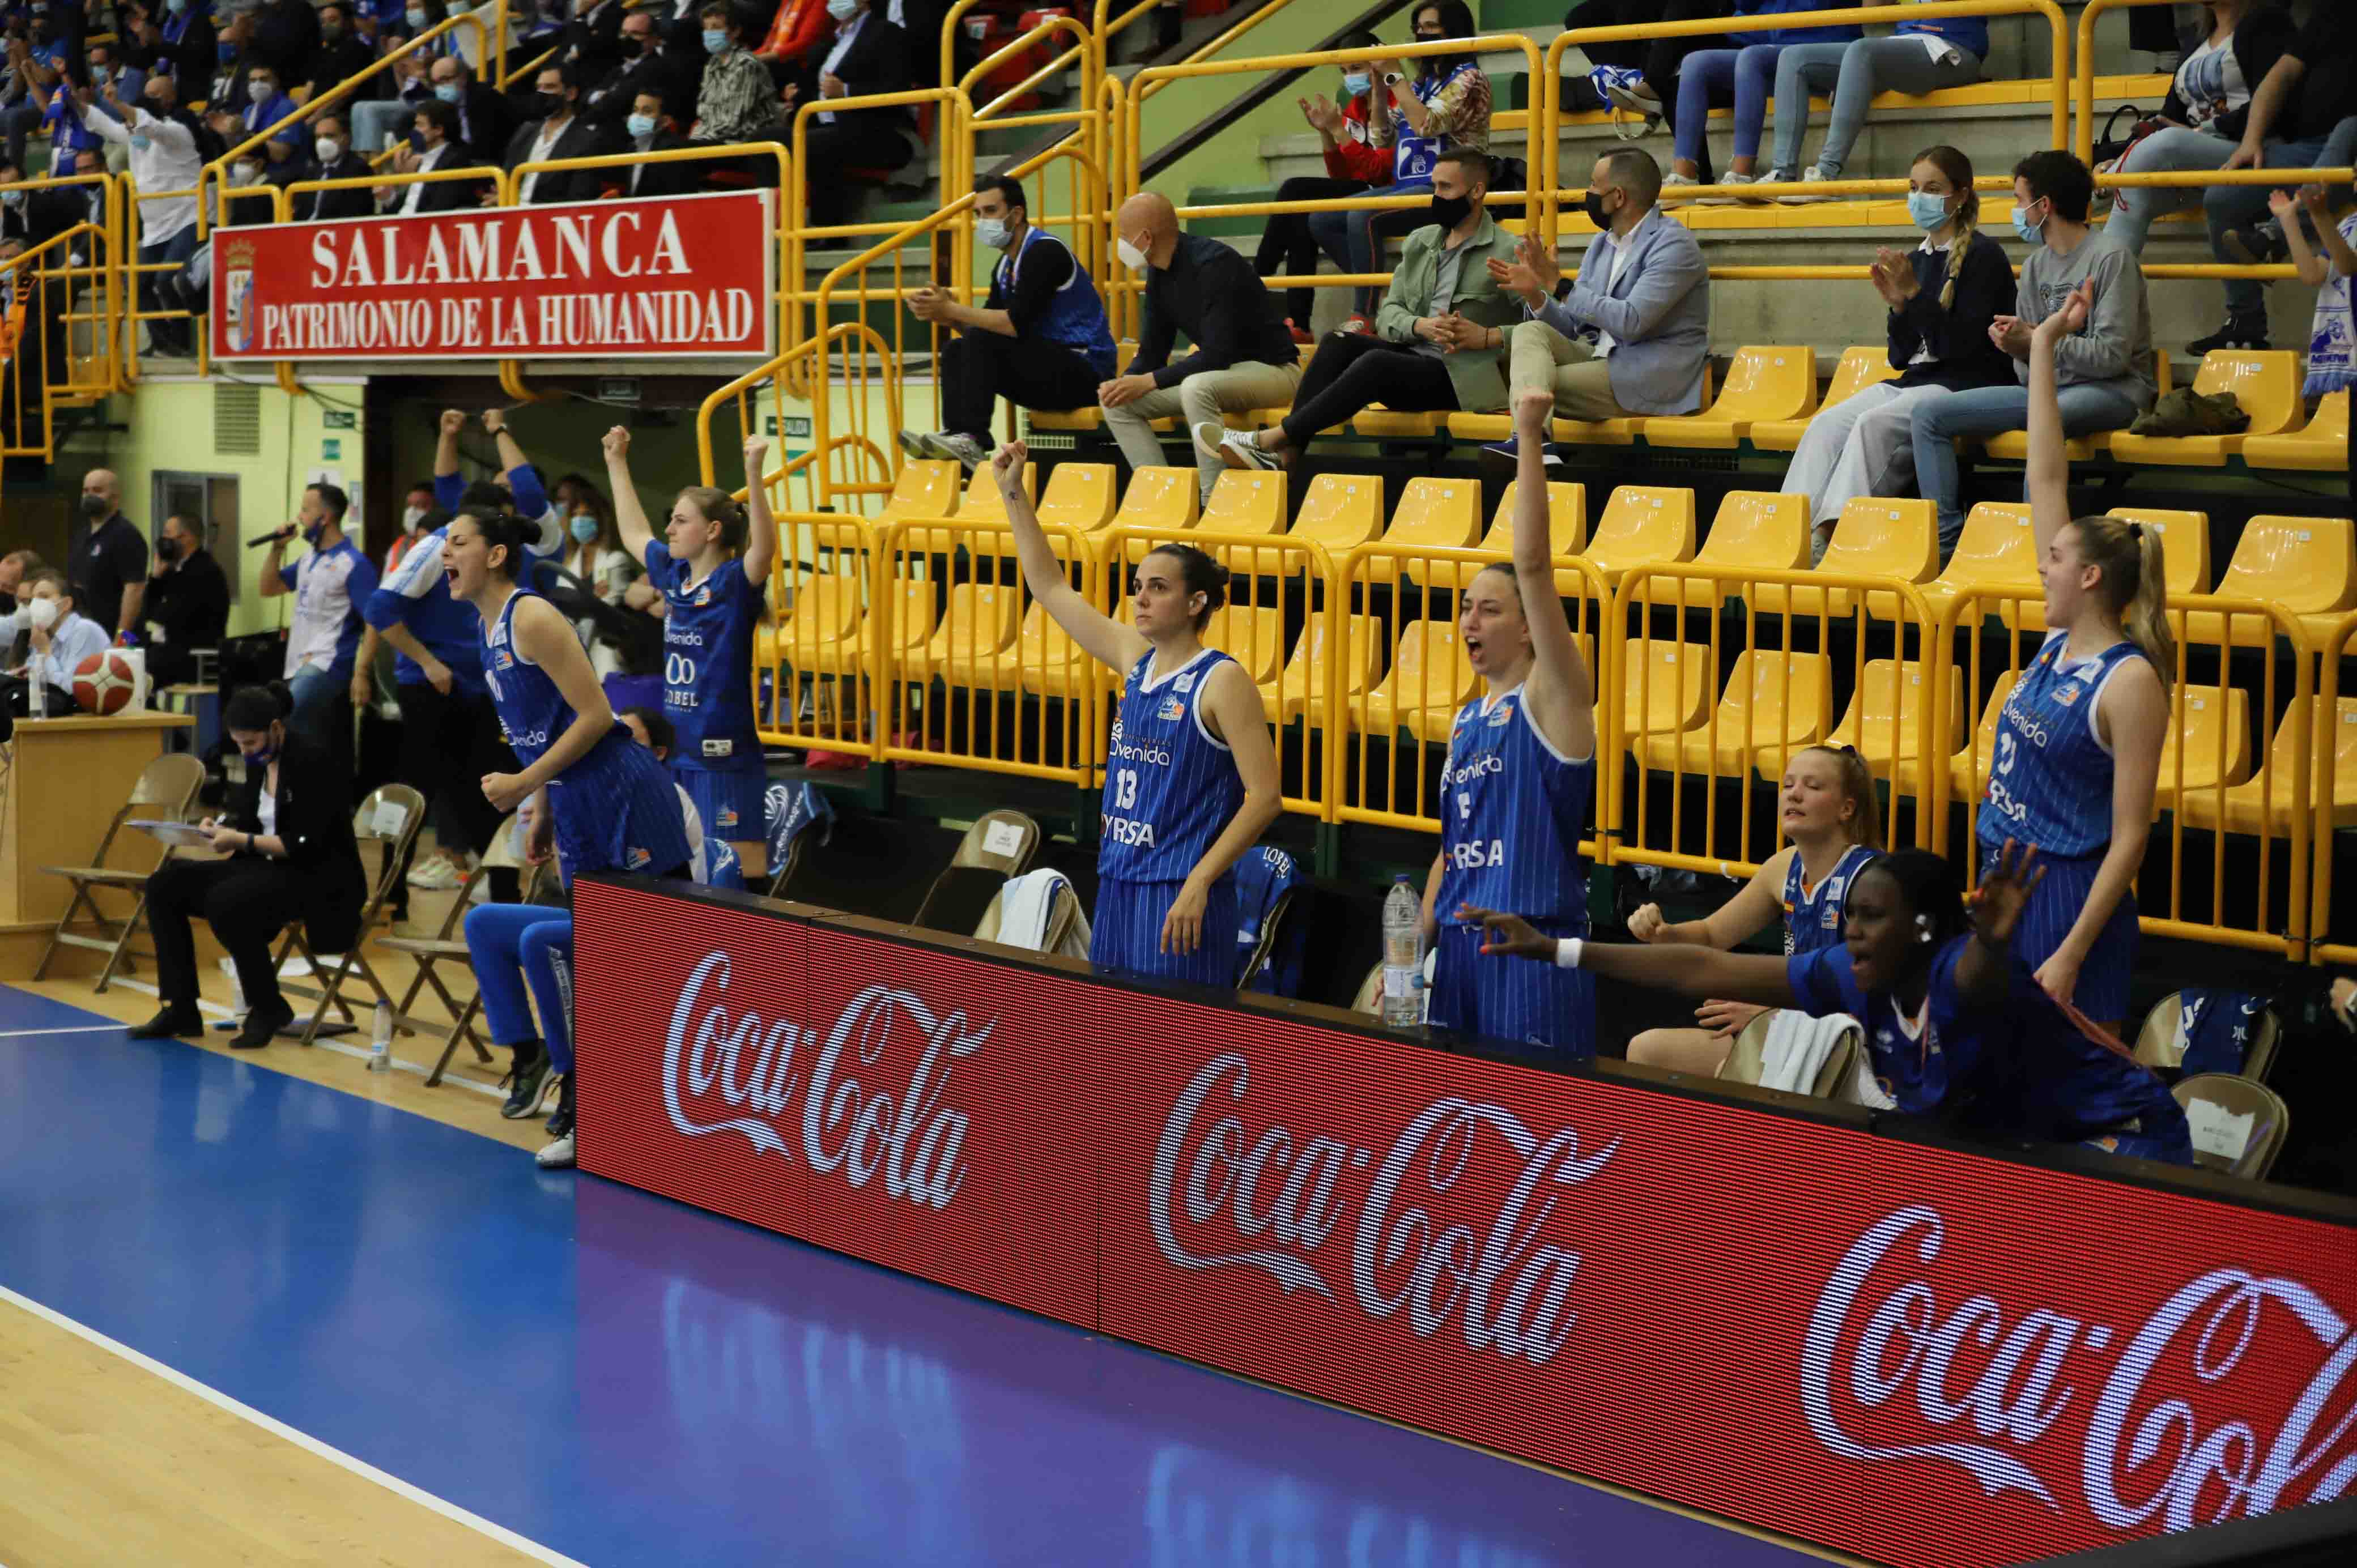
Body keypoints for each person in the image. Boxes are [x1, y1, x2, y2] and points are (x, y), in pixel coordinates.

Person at [1465, 845, 2193, 1163]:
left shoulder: (1958, 973)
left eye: (1871, 915)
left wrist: (1996, 941)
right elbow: (1699, 965)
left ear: (1920, 927)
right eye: (1849, 913)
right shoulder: (1849, 971)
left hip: (2121, 1136)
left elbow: (1978, 977)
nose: (1851, 928)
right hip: (2019, 1142)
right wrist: (1554, 949)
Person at [995, 437, 1280, 983]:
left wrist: (1200, 881)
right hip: (1119, 880)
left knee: (1178, 1053)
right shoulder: (1135, 658)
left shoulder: (1222, 680)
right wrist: (1014, 492)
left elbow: (1265, 797)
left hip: (1179, 892)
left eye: (1158, 588)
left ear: (1197, 602)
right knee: (1121, 1049)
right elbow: (1050, 586)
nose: (1141, 598)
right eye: (1137, 587)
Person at [1974, 279, 2171, 1040]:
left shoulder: (2128, 682)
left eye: (2054, 559)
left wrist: (2070, 951)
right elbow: (2046, 474)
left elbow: (2130, 838)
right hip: (2006, 880)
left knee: (2070, 1099)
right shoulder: (2058, 642)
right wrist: (2046, 345)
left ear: (2091, 578)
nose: (2042, 566)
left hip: (2070, 899)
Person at [451, 506, 692, 1127]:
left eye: (456, 542)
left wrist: (527, 783)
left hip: (624, 796)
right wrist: (544, 812)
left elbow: (593, 717)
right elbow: (543, 732)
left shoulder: (530, 616)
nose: (443, 555)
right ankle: (533, 1060)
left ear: (496, 554)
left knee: (626, 950)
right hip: (575, 798)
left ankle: (593, 1091)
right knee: (488, 925)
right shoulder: (487, 628)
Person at [1417, 386, 1601, 1051]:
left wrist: (1527, 433)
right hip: (1459, 950)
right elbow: (1450, 847)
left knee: (1531, 1130)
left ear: (1528, 627)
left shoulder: (1554, 698)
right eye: (1464, 607)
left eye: (1489, 608)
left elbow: (1532, 563)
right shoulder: (1466, 718)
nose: (1469, 620)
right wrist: (1415, 945)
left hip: (1530, 943)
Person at [1203, 147, 1521, 473]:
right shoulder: (1421, 241)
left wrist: (1485, 336)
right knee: (1338, 341)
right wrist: (1418, 326)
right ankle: (1287, 456)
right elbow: (1388, 315)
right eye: (1434, 186)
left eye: (1446, 188)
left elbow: (1540, 329)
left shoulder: (1508, 250)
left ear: (1477, 191)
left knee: (1377, 362)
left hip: (1461, 378)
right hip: (1413, 359)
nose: (1436, 196)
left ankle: (1272, 441)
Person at [1909, 151, 2156, 553]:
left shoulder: (2111, 258)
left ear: (2045, 206)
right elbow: (2027, 375)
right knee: (1928, 416)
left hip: (2114, 390)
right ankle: (1946, 546)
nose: (2017, 211)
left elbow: (2111, 357)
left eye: (2021, 201)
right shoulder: (2036, 265)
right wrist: (2017, 349)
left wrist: (2039, 341)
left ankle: (2036, 556)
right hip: (2047, 390)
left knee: (2045, 427)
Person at [1782, 144, 2013, 560]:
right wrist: (1899, 307)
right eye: (1913, 187)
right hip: (1916, 381)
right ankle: (1785, 533)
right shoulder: (1916, 259)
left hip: (1966, 384)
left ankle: (1831, 536)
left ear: (1960, 196)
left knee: (1875, 423)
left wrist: (1913, 296)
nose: (1919, 197)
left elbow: (1959, 350)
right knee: (1827, 425)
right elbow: (1900, 357)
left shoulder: (1985, 257)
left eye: (1932, 188)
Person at [128, 680, 368, 1049]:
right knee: (165, 884)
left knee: (229, 900)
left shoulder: (314, 761)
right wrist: (218, 829)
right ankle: (180, 1007)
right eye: (239, 744)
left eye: (251, 743)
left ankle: (267, 1006)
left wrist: (240, 840)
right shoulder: (260, 762)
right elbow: (249, 821)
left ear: (276, 728)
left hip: (319, 876)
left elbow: (304, 843)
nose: (245, 752)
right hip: (269, 869)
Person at [1625, 744, 1881, 1075]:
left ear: (1846, 809)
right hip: (1792, 1030)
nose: (1795, 795)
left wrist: (1772, 1016)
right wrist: (1663, 933)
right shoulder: (1783, 867)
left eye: (1812, 786)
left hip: (1854, 1046)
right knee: (1647, 1050)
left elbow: (1874, 997)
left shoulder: (1870, 878)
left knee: (1730, 1075)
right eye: (1788, 785)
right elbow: (1711, 934)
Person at [605, 426, 775, 881]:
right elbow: (634, 532)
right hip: (675, 751)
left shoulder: (735, 584)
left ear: (713, 530)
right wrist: (616, 462)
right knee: (680, 872)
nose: (670, 528)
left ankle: (750, 953)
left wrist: (754, 473)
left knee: (737, 876)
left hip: (724, 756)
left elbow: (765, 550)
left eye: (681, 520)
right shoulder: (676, 574)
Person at [2098, 0, 2298, 353]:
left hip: (2249, 151)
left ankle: (2103, 183)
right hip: (2194, 156)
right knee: (2134, 197)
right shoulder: (2194, 37)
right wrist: (2116, 155)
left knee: (2167, 147)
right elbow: (2166, 118)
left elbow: (2278, 100)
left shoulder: (2268, 23)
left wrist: (2208, 128)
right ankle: (2102, 323)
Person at [1484, 147, 1710, 457]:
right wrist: (1536, 293)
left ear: (1618, 197)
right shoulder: (1602, 243)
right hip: (1595, 356)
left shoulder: (1674, 245)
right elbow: (1575, 325)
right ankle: (1535, 442)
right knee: (1529, 333)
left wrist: (1560, 285)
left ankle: (1530, 442)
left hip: (1644, 372)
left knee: (1531, 385)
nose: (1585, 194)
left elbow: (1631, 323)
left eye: (1593, 185)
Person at [896, 173, 1117, 471]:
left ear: (1016, 215)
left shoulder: (1045, 251)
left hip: (1085, 372)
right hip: (1044, 369)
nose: (982, 221)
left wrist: (954, 308)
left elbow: (1014, 325)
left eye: (990, 211)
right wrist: (945, 314)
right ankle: (958, 439)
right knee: (956, 350)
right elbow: (983, 335)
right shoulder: (1005, 266)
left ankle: (973, 439)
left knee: (977, 341)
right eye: (977, 214)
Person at [1099, 190, 1303, 505]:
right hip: (1222, 376)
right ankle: (1161, 499)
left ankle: (1214, 501)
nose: (1121, 245)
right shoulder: (1159, 272)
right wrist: (1126, 382)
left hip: (1275, 371)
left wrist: (1148, 381)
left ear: (1145, 237)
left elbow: (1218, 354)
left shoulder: (1214, 264)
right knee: (1116, 404)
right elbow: (1153, 351)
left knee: (1196, 386)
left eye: (1124, 237)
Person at [1314, 2, 1491, 325]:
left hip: (1451, 189)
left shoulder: (1470, 80)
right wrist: (1381, 88)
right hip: (1409, 184)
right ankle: (1383, 295)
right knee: (1321, 219)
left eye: (1430, 28)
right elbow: (1384, 137)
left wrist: (1394, 76)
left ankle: (1364, 315)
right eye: (1418, 29)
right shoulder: (1422, 84)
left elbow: (1427, 125)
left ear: (1453, 32)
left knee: (1361, 215)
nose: (1421, 35)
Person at [1762, 0, 1987, 201]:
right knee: (1793, 58)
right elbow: (1870, 7)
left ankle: (1826, 174)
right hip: (1905, 42)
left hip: (1953, 47)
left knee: (1863, 50)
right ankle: (1782, 174)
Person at [1256, 33, 1388, 339]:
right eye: (1344, 71)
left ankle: (1254, 279)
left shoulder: (1394, 101)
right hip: (1362, 188)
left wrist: (1337, 130)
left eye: (1356, 68)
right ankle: (1300, 325)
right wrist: (1326, 133)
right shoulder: (1354, 106)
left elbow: (1379, 173)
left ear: (1377, 63)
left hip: (1388, 190)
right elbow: (1341, 176)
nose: (1350, 77)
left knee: (1294, 191)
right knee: (1301, 214)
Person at [1665, 0, 1862, 199]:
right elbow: (1747, 6)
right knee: (1695, 63)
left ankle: (1742, 173)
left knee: (1752, 58)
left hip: (1827, 43)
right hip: (1778, 44)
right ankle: (1685, 172)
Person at [79, 73, 200, 354]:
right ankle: (162, 343)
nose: (129, 126)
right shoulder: (135, 135)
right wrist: (75, 103)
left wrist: (119, 103)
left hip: (189, 217)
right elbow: (104, 125)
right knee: (135, 282)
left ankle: (181, 342)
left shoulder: (176, 133)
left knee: (165, 279)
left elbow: (150, 128)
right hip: (156, 226)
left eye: (133, 119)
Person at [259, 481, 378, 749]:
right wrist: (277, 549)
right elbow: (269, 588)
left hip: (328, 663)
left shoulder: (354, 564)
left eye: (304, 511)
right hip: (298, 663)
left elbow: (375, 621)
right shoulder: (308, 559)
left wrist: (362, 673)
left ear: (324, 518)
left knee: (281, 726)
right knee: (299, 741)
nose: (299, 518)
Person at [126, 514, 228, 689]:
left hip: (190, 653)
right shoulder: (175, 569)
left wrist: (158, 611)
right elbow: (147, 610)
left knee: (130, 675)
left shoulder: (204, 571)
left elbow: (171, 616)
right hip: (164, 647)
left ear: (186, 538)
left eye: (167, 534)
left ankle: (150, 711)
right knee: (125, 643)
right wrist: (156, 577)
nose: (163, 540)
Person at [2281, 181, 2357, 409]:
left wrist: (2320, 215)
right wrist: (2288, 220)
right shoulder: (2349, 226)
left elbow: (2348, 266)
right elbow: (2313, 274)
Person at [555, 480, 639, 677]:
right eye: (575, 515)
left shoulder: (616, 561)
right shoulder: (566, 567)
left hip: (604, 657)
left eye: (587, 515)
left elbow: (606, 608)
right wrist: (590, 599)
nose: (579, 521)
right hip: (570, 658)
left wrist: (585, 603)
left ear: (601, 520)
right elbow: (562, 611)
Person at [505, 61, 610, 203]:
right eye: (539, 88)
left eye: (550, 87)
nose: (542, 94)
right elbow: (506, 179)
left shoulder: (588, 141)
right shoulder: (526, 131)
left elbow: (579, 200)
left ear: (571, 94)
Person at [5, 568, 107, 707]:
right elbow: (32, 680)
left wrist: (45, 651)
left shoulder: (84, 630)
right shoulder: (45, 633)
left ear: (66, 604)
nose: (36, 604)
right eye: (33, 599)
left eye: (44, 597)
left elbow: (69, 691)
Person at [69, 467, 147, 642]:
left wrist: (121, 640)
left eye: (97, 491)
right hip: (88, 634)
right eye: (86, 491)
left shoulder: (126, 535)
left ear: (115, 497)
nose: (90, 496)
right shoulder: (82, 534)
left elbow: (134, 591)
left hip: (118, 636)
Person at [380, 97, 486, 214]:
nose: (414, 131)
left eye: (420, 125)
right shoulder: (422, 160)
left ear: (438, 130)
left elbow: (439, 210)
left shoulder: (456, 162)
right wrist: (388, 197)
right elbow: (410, 204)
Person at [692, 3, 772, 145]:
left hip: (742, 142)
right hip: (713, 139)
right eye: (706, 28)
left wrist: (698, 141)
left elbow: (735, 121)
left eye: (716, 27)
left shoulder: (747, 64)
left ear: (735, 32)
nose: (709, 33)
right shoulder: (712, 64)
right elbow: (705, 114)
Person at [607, 89, 698, 196]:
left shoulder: (672, 150)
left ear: (665, 121)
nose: (637, 116)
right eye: (635, 110)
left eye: (647, 111)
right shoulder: (633, 148)